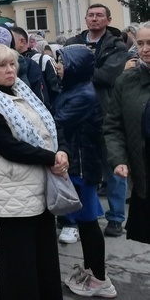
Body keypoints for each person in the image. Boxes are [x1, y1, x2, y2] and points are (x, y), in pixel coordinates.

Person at [0, 43, 69, 300]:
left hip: (38, 185)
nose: (10, 70)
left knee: (44, 256)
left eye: (12, 63)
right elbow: (9, 147)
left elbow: (48, 125)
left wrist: (62, 150)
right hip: (11, 190)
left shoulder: (20, 91)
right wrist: (51, 157)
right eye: (2, 65)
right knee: (19, 265)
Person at [51, 45, 116, 297]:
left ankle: (100, 279)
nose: (58, 66)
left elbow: (56, 121)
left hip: (81, 165)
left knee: (88, 222)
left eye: (62, 62)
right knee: (85, 221)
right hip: (78, 163)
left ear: (75, 67)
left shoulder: (83, 95)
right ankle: (91, 270)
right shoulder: (73, 89)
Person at [66, 4, 128, 238]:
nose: (94, 19)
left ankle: (115, 218)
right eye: (90, 15)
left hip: (106, 113)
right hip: (79, 115)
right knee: (82, 168)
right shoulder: (72, 42)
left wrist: (78, 70)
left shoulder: (116, 45)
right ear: (85, 18)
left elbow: (107, 76)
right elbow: (62, 70)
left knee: (113, 168)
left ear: (108, 19)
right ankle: (83, 216)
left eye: (99, 15)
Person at [105, 21, 150, 244]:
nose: (145, 49)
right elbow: (113, 125)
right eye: (140, 43)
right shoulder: (127, 81)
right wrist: (118, 159)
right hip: (143, 175)